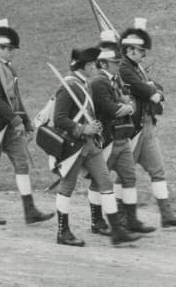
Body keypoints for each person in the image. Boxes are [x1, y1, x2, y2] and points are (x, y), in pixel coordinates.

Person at [50, 47, 141, 247]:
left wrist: (94, 127)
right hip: (75, 146)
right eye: (92, 64)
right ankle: (62, 231)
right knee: (67, 186)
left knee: (105, 182)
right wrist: (83, 129)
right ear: (86, 66)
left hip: (92, 145)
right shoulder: (69, 86)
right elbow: (59, 119)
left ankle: (116, 230)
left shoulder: (85, 85)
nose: (95, 67)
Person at [0, 20, 55, 226]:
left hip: (11, 124)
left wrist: (26, 122)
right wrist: (15, 119)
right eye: (5, 48)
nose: (10, 52)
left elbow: (15, 98)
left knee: (22, 163)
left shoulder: (10, 70)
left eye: (10, 49)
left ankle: (30, 210)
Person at [117, 19, 176, 227]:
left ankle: (166, 214)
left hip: (147, 125)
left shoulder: (136, 68)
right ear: (130, 50)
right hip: (134, 129)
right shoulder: (124, 69)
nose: (144, 55)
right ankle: (121, 214)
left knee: (158, 170)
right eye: (141, 51)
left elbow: (155, 88)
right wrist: (151, 90)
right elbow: (144, 89)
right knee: (125, 173)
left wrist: (152, 89)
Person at [84, 32, 155, 236]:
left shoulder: (114, 80)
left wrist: (126, 106)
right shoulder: (99, 82)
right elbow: (110, 108)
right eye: (113, 63)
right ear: (103, 64)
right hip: (107, 138)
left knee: (129, 176)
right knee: (99, 180)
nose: (117, 65)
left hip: (121, 137)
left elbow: (129, 101)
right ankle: (97, 221)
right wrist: (124, 106)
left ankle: (131, 219)